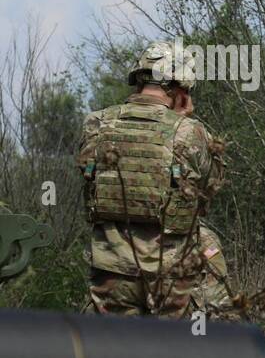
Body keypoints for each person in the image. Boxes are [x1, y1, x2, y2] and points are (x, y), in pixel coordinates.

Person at [76, 40, 224, 317]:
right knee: (169, 355)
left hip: (111, 271)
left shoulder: (96, 124)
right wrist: (182, 120)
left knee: (110, 356)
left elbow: (88, 179)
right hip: (169, 274)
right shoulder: (191, 132)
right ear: (181, 89)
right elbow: (208, 192)